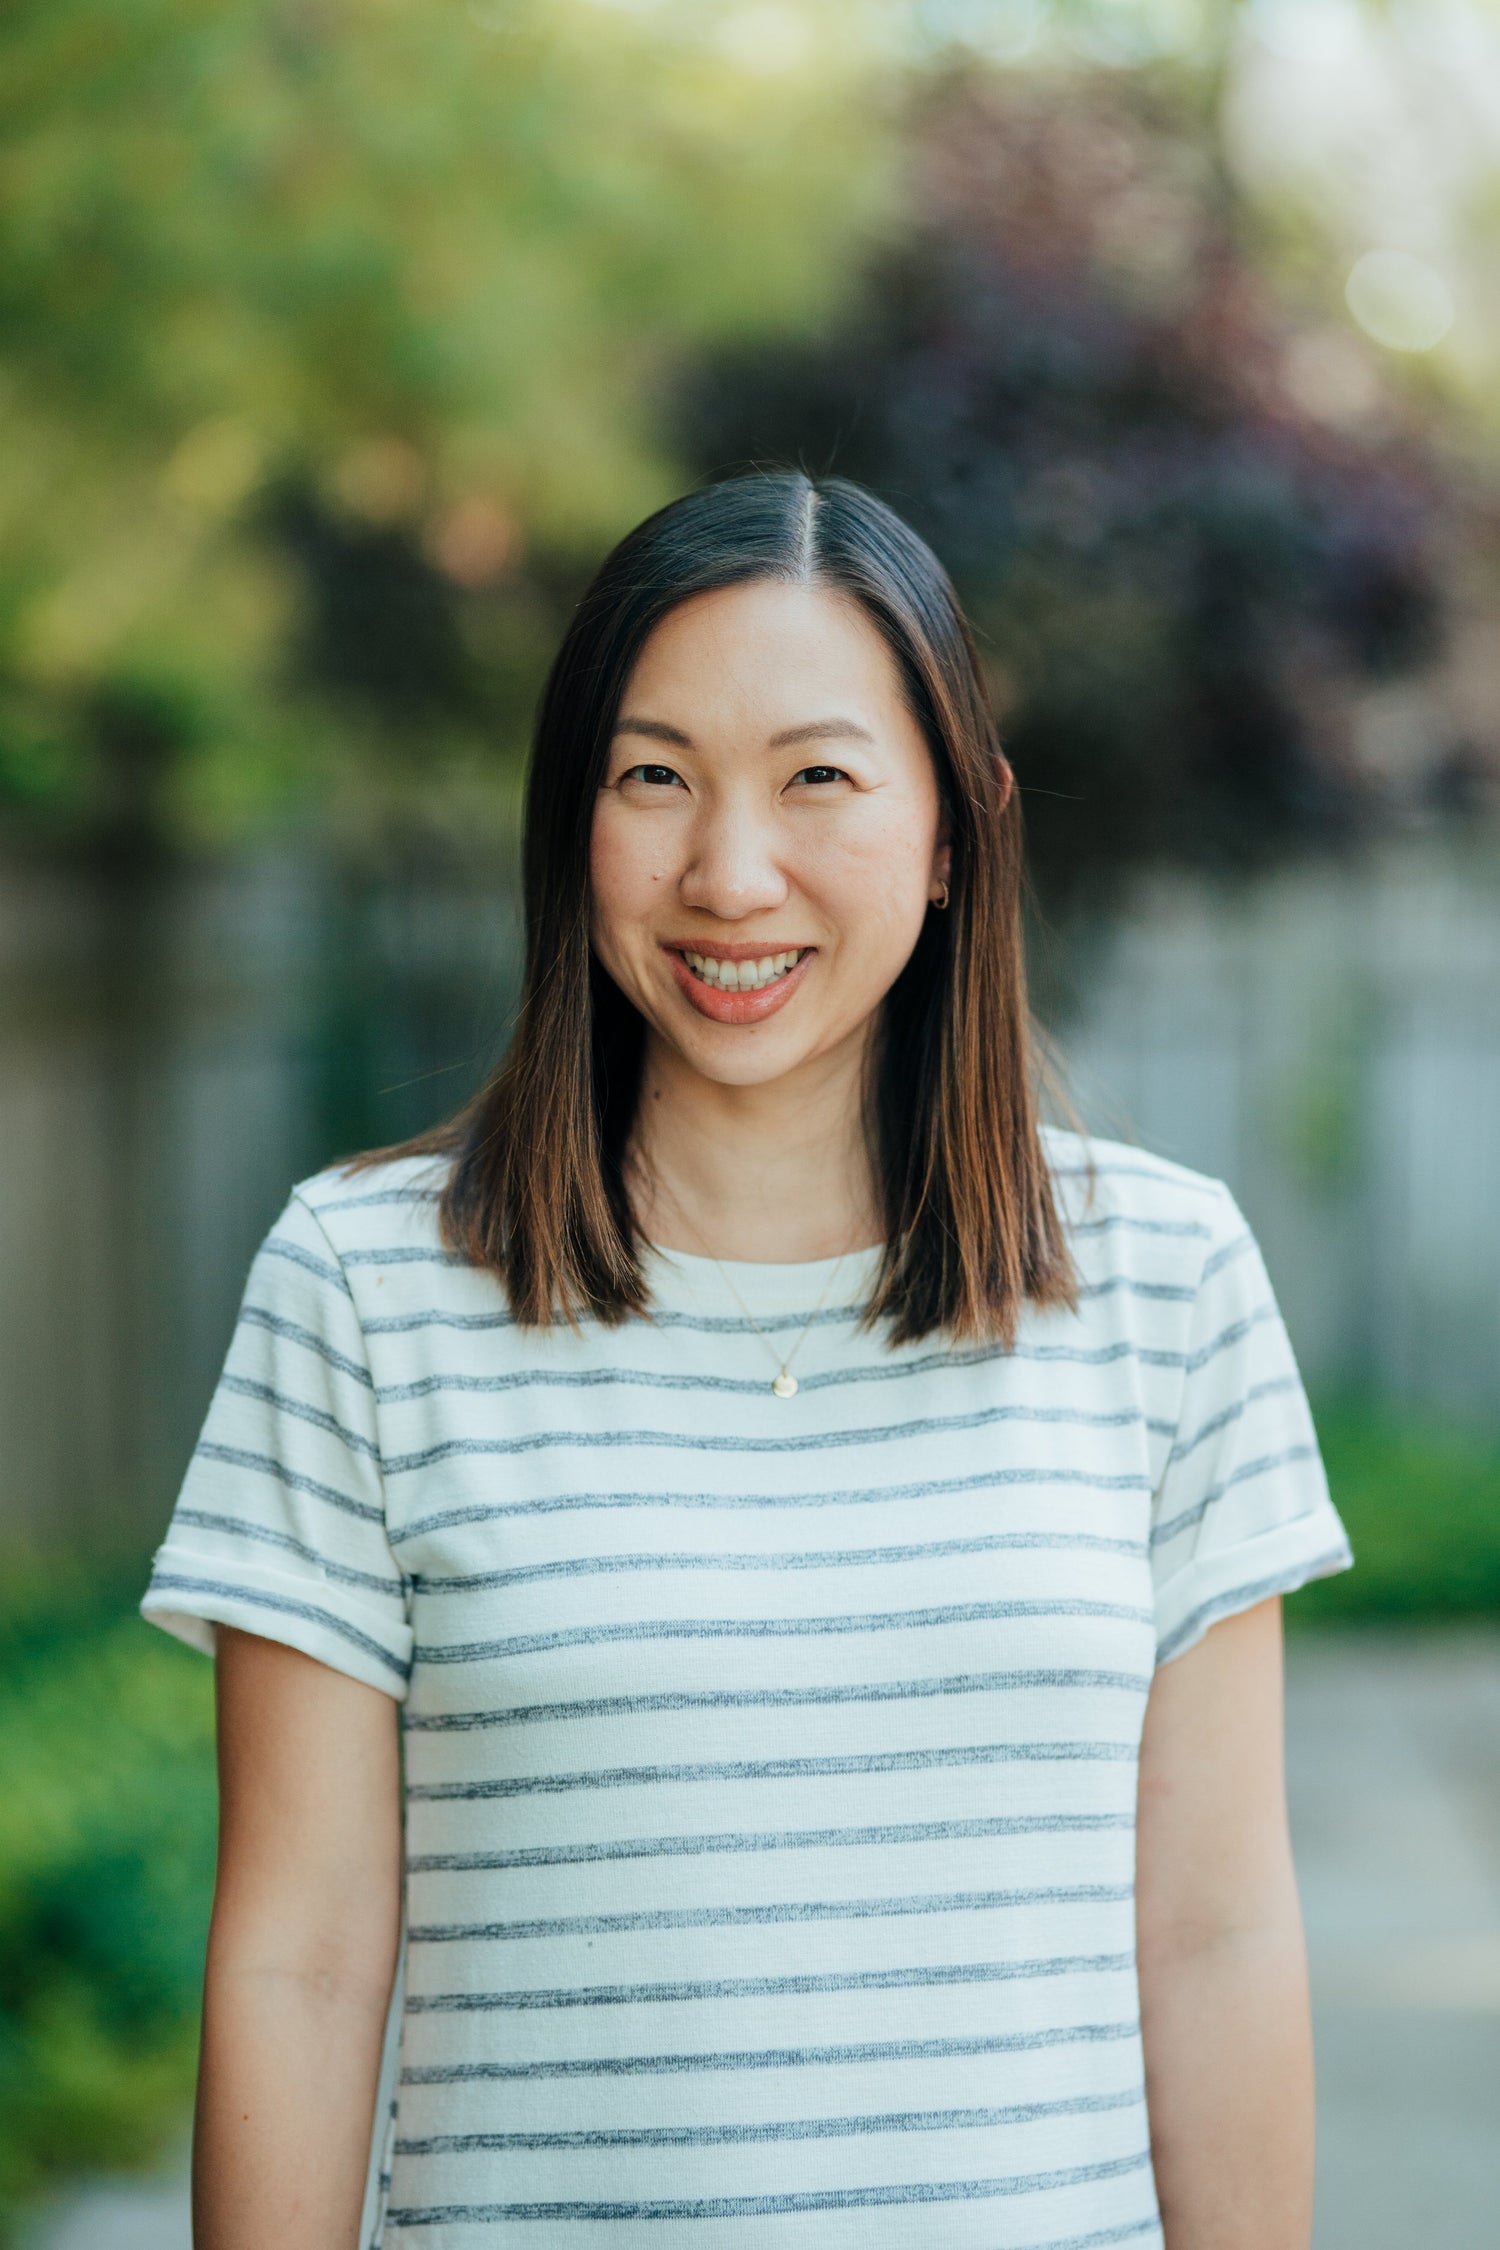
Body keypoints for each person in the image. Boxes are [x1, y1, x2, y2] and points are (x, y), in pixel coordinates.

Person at [143, 472, 1352, 2250]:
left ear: (953, 836)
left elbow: (1216, 1929)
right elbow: (301, 1960)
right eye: (654, 776)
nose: (728, 870)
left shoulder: (1167, 1281)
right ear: (574, 821)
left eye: (820, 777)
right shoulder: (363, 1288)